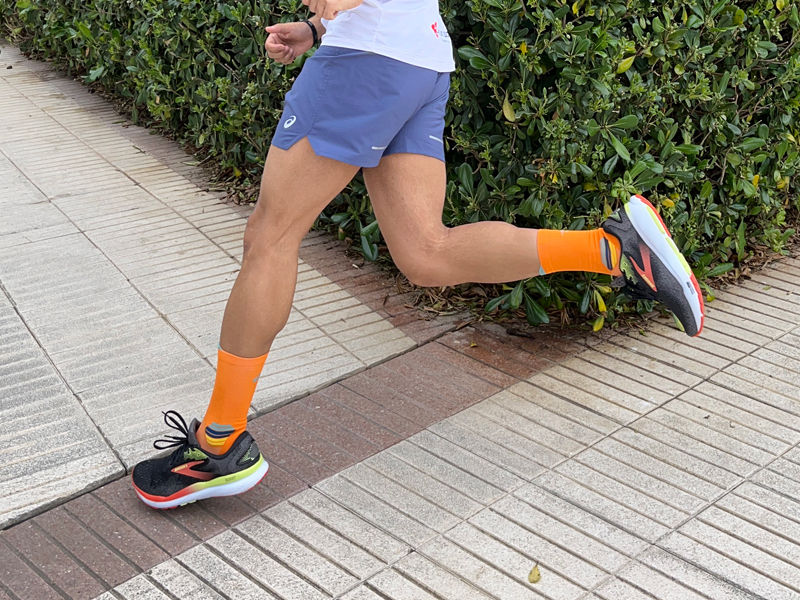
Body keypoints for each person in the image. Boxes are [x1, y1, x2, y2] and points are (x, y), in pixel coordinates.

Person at [131, 0, 705, 509]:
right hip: (418, 60)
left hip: (366, 66)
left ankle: (220, 442)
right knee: (426, 253)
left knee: (270, 238)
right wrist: (319, 28)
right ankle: (612, 249)